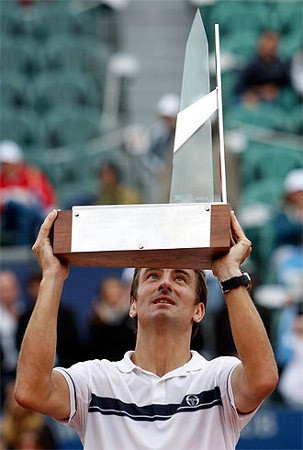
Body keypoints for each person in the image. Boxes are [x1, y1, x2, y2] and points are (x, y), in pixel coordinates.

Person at [14, 210, 278, 450]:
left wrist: (230, 272)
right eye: (152, 276)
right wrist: (51, 277)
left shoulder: (218, 377)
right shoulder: (95, 380)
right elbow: (31, 391)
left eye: (180, 278)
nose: (165, 284)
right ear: (133, 305)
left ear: (199, 310)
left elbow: (263, 378)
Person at [16, 271, 81, 368]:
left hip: (65, 365)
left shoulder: (66, 315)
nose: (37, 291)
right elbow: (20, 345)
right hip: (33, 367)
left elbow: (73, 343)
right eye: (34, 287)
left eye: (40, 287)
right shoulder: (25, 317)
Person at [0, 140, 57, 246]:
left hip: (30, 215)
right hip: (8, 219)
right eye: (3, 164)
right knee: (16, 206)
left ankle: (27, 249)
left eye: (6, 163)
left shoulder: (32, 175)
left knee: (27, 214)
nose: (4, 167)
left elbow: (44, 198)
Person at [234, 30, 290, 106]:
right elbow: (240, 87)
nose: (269, 51)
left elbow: (286, 86)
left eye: (272, 48)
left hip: (275, 102)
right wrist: (258, 91)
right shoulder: (251, 65)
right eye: (266, 48)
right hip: (254, 99)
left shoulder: (281, 66)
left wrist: (275, 91)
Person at [88, 275, 136, 361]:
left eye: (115, 288)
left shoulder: (131, 315)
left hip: (125, 361)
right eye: (109, 289)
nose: (113, 293)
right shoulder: (96, 317)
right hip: (102, 363)